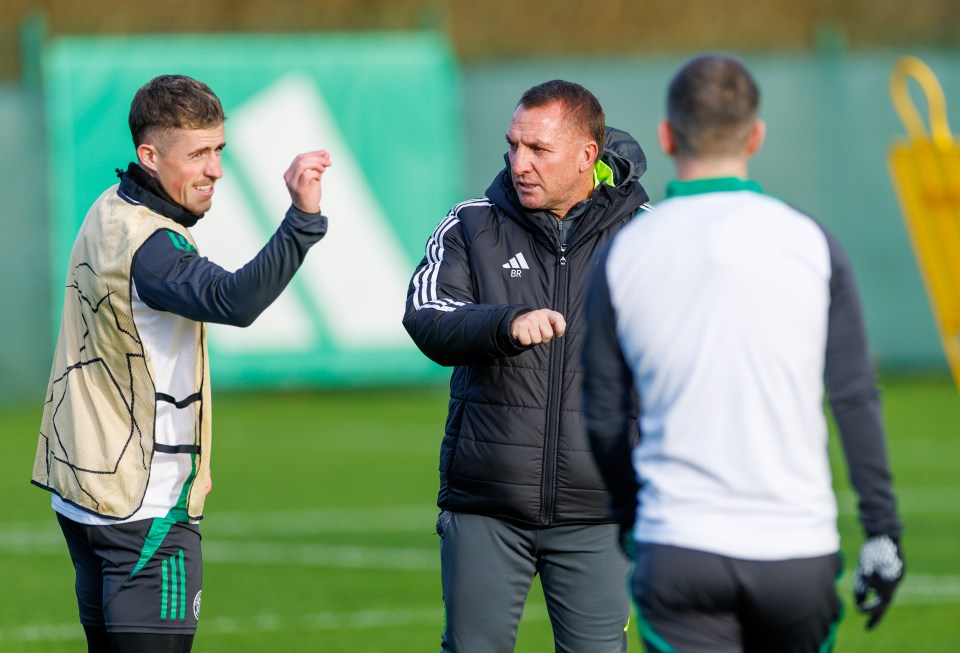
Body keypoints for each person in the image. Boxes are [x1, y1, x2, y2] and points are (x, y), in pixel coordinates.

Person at [583, 53, 905, 652]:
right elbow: (855, 395)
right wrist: (882, 530)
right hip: (795, 551)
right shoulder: (809, 241)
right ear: (756, 134)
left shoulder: (626, 251)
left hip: (679, 545)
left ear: (666, 134)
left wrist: (632, 518)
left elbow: (602, 411)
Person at [32, 74, 333, 653]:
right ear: (149, 155)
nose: (215, 169)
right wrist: (301, 222)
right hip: (144, 507)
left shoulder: (109, 206)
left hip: (83, 493)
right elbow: (234, 300)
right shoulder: (150, 245)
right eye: (198, 153)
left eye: (219, 150)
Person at [403, 79, 652, 652]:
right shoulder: (471, 223)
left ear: (587, 155)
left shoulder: (648, 234)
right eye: (514, 145)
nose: (520, 163)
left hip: (600, 510)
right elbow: (426, 314)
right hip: (487, 505)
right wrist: (505, 324)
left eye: (539, 149)